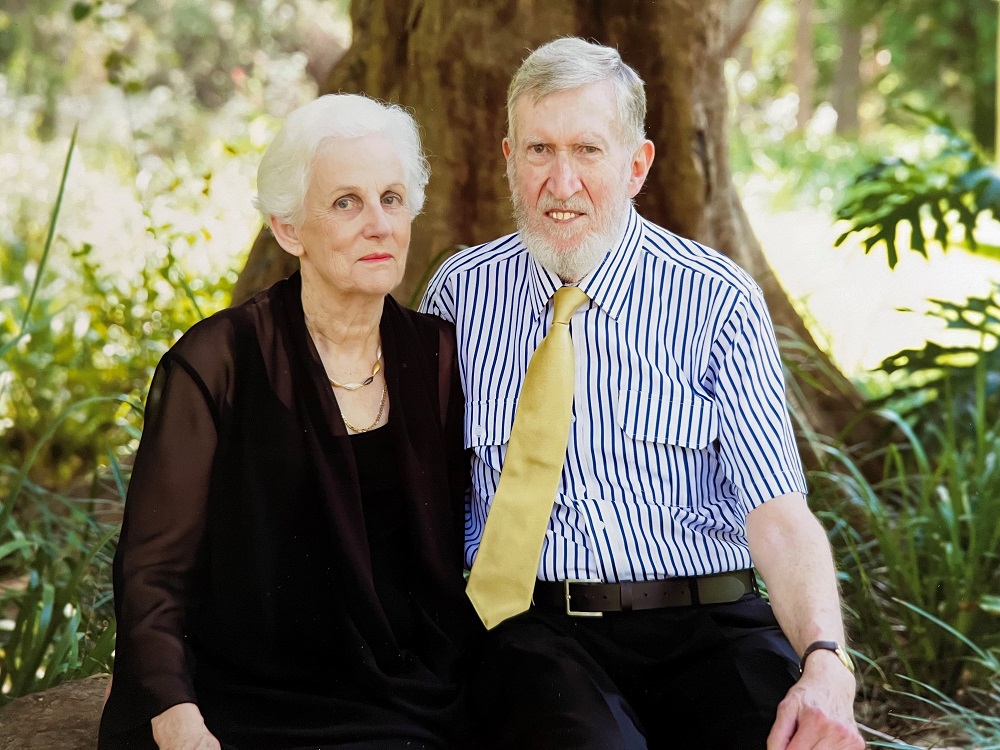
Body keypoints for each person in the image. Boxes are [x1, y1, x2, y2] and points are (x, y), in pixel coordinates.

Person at [421, 37, 864, 750]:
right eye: (539, 151)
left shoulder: (716, 299)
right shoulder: (458, 295)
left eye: (587, 152)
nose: (560, 184)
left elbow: (779, 516)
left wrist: (825, 662)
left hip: (708, 622)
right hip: (536, 632)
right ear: (509, 158)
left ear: (637, 165)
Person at [99, 93, 476, 750]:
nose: (379, 224)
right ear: (288, 229)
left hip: (398, 691)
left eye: (392, 198)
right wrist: (175, 712)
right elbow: (153, 569)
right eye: (345, 202)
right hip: (241, 696)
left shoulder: (436, 355)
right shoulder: (217, 362)